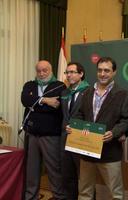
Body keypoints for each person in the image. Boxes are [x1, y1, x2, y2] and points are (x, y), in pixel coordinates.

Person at [71, 57, 128, 200]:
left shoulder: (122, 94)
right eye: (100, 70)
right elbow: (79, 114)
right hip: (87, 150)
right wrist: (76, 127)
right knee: (84, 192)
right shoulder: (87, 92)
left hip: (110, 152)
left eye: (107, 70)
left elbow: (126, 120)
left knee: (115, 194)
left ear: (114, 72)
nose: (102, 74)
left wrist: (114, 132)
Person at [21, 60, 66, 200]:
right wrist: (45, 101)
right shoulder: (29, 85)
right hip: (32, 134)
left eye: (45, 70)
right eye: (39, 70)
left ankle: (59, 196)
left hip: (51, 136)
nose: (41, 73)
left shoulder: (60, 86)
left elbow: (56, 106)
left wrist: (35, 103)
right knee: (31, 170)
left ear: (51, 70)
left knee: (54, 170)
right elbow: (25, 100)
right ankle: (31, 197)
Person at [60, 62, 89, 200]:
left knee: (84, 179)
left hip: (82, 140)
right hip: (65, 139)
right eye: (67, 72)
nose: (69, 75)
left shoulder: (90, 91)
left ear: (81, 74)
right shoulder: (65, 92)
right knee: (67, 176)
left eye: (72, 72)